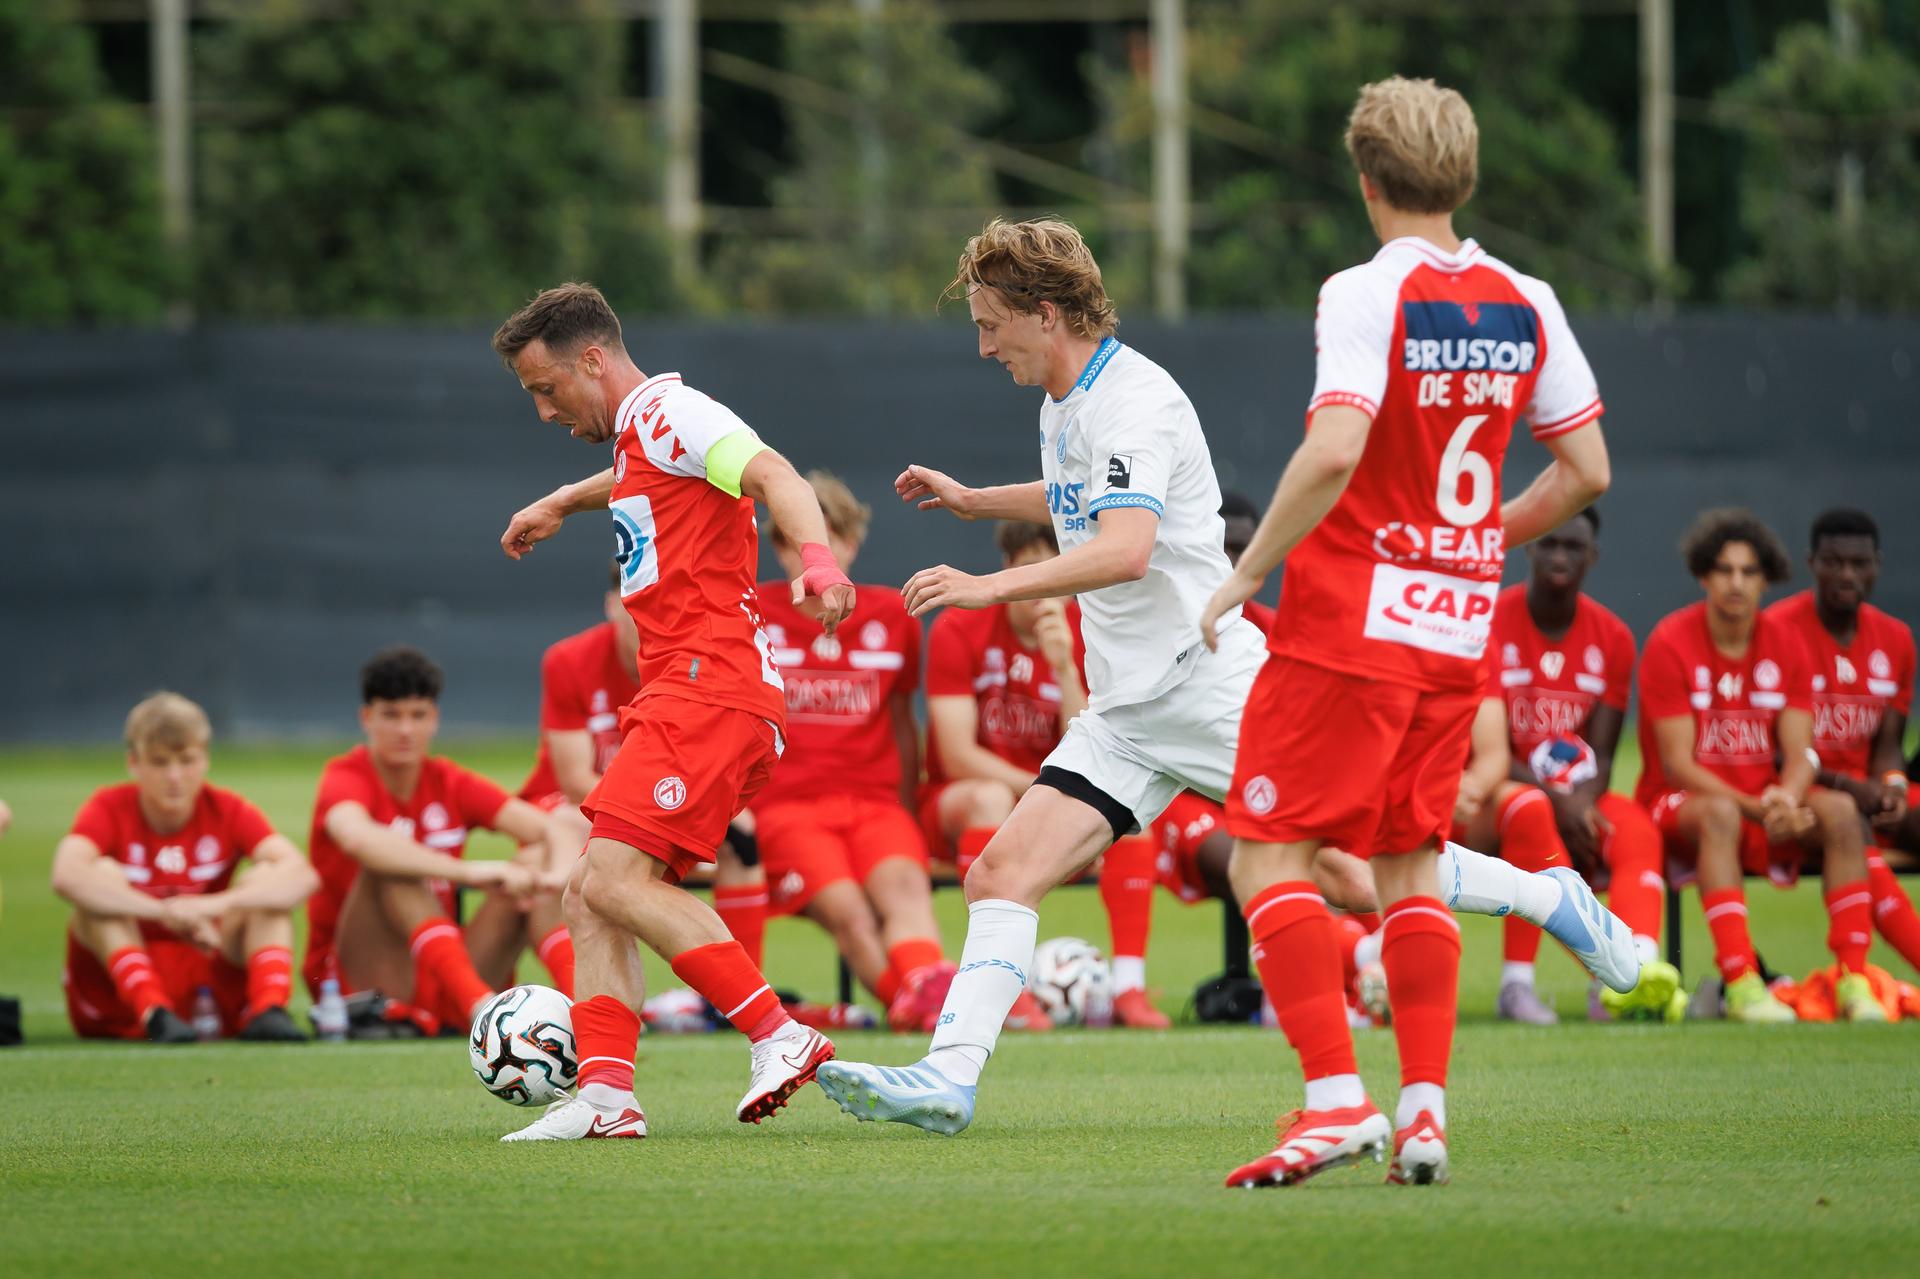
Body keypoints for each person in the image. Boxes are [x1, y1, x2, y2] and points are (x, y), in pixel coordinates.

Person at [815, 211, 1632, 1148]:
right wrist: (976, 500)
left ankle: (1551, 896)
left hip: (1207, 685)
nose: (982, 342)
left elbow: (1125, 546)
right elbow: (1082, 494)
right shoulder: (1066, 401)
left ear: (1046, 314)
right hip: (1125, 711)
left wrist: (988, 582)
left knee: (1361, 877)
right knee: (1002, 869)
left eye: (991, 320)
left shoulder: (1135, 400)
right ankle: (949, 1078)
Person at [1200, 77, 1617, 1188]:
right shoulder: (1529, 297)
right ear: (1464, 174)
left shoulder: (1362, 291)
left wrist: (1248, 571)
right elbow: (1586, 472)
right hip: (1456, 631)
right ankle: (1424, 1115)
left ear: (1366, 180)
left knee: (1266, 851)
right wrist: (1474, 538)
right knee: (1408, 862)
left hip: (1349, 629)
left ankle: (1335, 1099)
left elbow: (1337, 447)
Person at [491, 282, 855, 1140]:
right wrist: (559, 502)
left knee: (612, 880)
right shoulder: (644, 436)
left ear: (593, 360)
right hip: (691, 690)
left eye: (546, 389)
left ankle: (779, 1032)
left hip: (709, 688)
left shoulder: (677, 410)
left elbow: (772, 472)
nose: (543, 411)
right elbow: (636, 474)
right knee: (591, 891)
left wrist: (819, 561)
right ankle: (607, 1096)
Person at [1637, 509, 1882, 1023]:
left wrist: (1787, 799)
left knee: (1839, 810)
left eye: (1749, 572)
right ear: (1704, 575)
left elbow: (1800, 754)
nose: (1736, 583)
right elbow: (1678, 765)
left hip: (1763, 807)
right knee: (1721, 815)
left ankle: (1854, 980)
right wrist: (1759, 805)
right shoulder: (1669, 641)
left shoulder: (1786, 643)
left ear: (1766, 579)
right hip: (1684, 808)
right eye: (1724, 570)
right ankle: (1742, 980)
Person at [920, 519, 1166, 1029]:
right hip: (964, 809)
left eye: (1053, 567)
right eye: (1027, 566)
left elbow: (1101, 746)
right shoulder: (959, 628)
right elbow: (957, 754)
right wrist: (1038, 791)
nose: (1040, 583)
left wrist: (1063, 669)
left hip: (1048, 802)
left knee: (1134, 816)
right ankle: (994, 987)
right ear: (1007, 571)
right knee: (988, 796)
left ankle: (1129, 988)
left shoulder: (1088, 629)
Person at [750, 470, 961, 1029]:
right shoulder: (751, 614)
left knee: (905, 888)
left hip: (873, 804)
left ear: (853, 543)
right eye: (801, 540)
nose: (822, 552)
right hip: (786, 807)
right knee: (847, 910)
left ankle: (928, 1002)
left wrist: (909, 806)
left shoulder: (893, 616)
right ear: (778, 548)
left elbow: (901, 721)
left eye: (835, 536)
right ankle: (923, 1011)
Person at [306, 647, 563, 1038]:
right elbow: (358, 838)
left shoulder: (447, 779)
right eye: (391, 716)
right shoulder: (346, 775)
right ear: (367, 718)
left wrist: (552, 873)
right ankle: (480, 1007)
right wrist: (464, 872)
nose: (405, 729)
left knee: (535, 863)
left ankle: (587, 1006)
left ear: (435, 719)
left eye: (418, 715)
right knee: (391, 864)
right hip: (361, 973)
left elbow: (550, 829)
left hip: (444, 966)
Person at [1489, 509, 1681, 1021]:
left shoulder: (1614, 637)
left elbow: (1605, 754)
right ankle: (1517, 985)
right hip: (1497, 793)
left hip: (1576, 796)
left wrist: (1581, 805)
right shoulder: (1489, 620)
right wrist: (1562, 804)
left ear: (1592, 556)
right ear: (1528, 548)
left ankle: (1639, 968)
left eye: (1573, 547)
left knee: (1635, 826)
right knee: (1530, 809)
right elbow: (1486, 751)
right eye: (1548, 544)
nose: (1559, 556)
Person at [52, 692, 318, 1042]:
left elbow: (302, 874)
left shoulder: (227, 809)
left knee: (266, 880)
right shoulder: (108, 807)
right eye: (160, 762)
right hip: (124, 989)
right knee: (101, 876)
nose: (175, 776)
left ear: (205, 759)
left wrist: (212, 906)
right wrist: (163, 912)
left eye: (187, 760)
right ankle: (153, 1011)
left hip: (206, 968)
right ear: (134, 763)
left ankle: (269, 1010)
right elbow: (66, 874)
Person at [1763, 508, 1920, 974]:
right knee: (1848, 820)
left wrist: (1891, 783)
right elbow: (1768, 747)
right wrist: (1852, 789)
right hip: (1797, 790)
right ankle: (1864, 970)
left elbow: (1889, 742)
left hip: (1867, 791)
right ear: (1812, 563)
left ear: (1877, 565)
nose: (1847, 574)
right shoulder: (1777, 629)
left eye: (1859, 563)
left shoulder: (1896, 638)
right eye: (1834, 562)